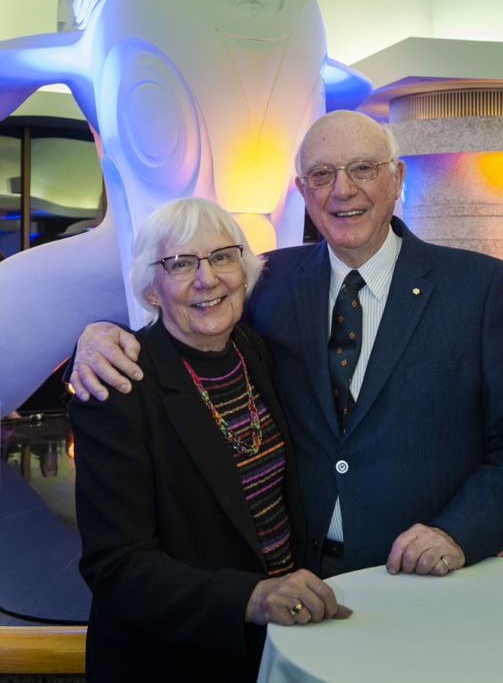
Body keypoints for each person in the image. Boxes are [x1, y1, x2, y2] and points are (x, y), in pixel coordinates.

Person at [70, 111, 503, 581]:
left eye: (363, 168)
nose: (343, 190)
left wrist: (459, 533)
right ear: (303, 192)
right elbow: (195, 332)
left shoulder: (474, 286)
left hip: (429, 579)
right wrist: (101, 336)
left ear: (398, 178)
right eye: (321, 175)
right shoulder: (269, 281)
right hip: (298, 577)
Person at [68, 197, 350, 683]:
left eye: (222, 257)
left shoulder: (253, 351)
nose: (207, 279)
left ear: (244, 271)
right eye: (180, 264)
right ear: (152, 290)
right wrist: (252, 597)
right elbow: (117, 567)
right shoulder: (119, 387)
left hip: (276, 640)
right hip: (177, 659)